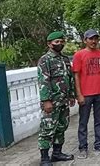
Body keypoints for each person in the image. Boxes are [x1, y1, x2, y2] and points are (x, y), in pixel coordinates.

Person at [37, 31, 76, 166]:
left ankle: (57, 153)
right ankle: (44, 158)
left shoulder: (64, 59)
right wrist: (46, 100)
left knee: (61, 127)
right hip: (52, 101)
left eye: (61, 41)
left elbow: (69, 79)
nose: (60, 44)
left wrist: (71, 95)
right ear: (49, 44)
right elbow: (43, 81)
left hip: (63, 100)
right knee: (47, 129)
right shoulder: (45, 60)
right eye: (56, 42)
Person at [73, 29, 100, 159]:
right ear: (85, 40)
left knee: (99, 120)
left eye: (95, 38)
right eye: (91, 39)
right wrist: (79, 94)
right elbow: (76, 75)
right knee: (83, 121)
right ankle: (83, 147)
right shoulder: (79, 55)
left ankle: (99, 144)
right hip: (86, 93)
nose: (93, 41)